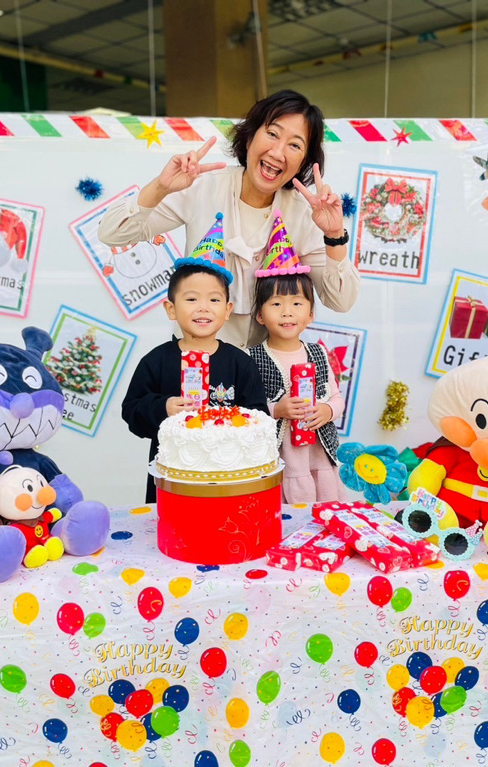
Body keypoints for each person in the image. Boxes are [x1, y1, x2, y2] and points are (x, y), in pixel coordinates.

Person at [98, 89, 360, 348]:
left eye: (295, 145)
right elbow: (110, 233)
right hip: (195, 360)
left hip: (262, 367)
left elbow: (341, 301)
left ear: (303, 162)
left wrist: (334, 235)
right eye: (272, 134)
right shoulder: (203, 187)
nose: (278, 152)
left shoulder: (304, 214)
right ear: (249, 138)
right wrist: (160, 187)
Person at [121, 217, 268, 502]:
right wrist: (163, 407)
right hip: (173, 481)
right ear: (171, 309)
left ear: (227, 310)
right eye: (191, 299)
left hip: (229, 479)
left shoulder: (240, 363)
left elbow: (259, 415)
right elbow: (132, 412)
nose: (203, 307)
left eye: (214, 300)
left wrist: (230, 422)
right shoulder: (156, 361)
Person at [247, 213, 345, 504]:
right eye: (276, 304)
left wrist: (327, 411)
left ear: (311, 314)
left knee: (323, 509)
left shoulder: (318, 353)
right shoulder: (252, 357)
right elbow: (247, 409)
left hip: (318, 454)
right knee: (286, 514)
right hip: (280, 457)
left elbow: (336, 397)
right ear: (260, 315)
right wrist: (276, 409)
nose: (287, 312)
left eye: (297, 304)